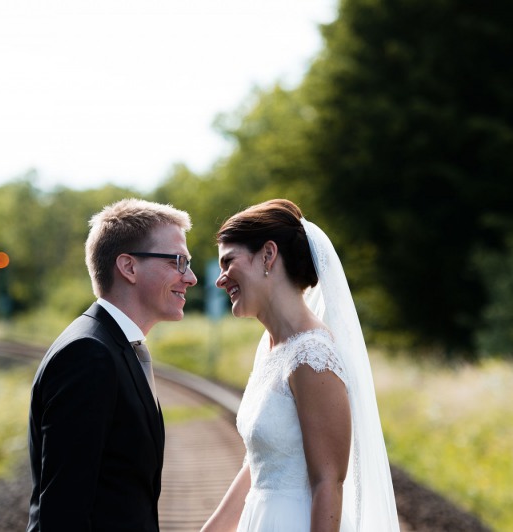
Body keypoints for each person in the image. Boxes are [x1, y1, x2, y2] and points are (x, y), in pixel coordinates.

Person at [201, 199, 399, 532]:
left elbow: (328, 482)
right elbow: (260, 465)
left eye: (228, 262)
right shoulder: (269, 348)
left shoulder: (312, 356)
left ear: (267, 255)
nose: (220, 280)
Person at [27, 198, 197, 531]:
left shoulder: (113, 346)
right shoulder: (89, 355)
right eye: (178, 261)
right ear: (128, 267)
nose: (189, 277)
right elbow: (62, 511)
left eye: (188, 263)